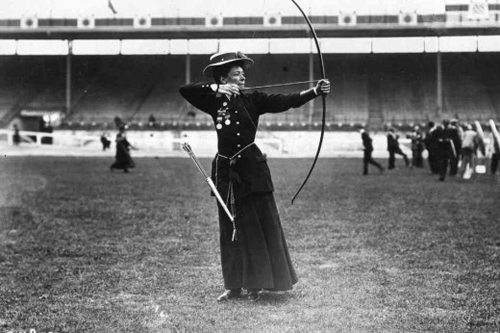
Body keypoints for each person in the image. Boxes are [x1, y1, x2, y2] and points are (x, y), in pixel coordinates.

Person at [179, 51, 330, 302]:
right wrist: (218, 89)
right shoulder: (214, 100)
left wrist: (314, 91)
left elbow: (285, 100)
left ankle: (256, 284)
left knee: (253, 227)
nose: (242, 77)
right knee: (230, 228)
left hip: (251, 169)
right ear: (224, 77)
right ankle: (233, 286)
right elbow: (186, 89)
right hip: (226, 171)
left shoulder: (254, 98)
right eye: (236, 74)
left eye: (242, 74)